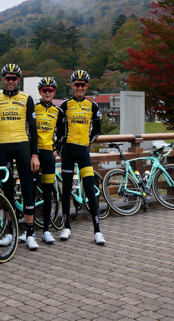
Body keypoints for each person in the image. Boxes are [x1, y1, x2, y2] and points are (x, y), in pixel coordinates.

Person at [0, 64, 39, 249]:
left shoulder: (27, 98)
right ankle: (12, 232)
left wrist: (35, 154)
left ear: (19, 79)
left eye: (14, 78)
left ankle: (30, 233)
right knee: (7, 192)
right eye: (8, 78)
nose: (11, 81)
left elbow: (33, 128)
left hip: (22, 146)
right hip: (2, 147)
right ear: (3, 79)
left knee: (27, 190)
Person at [58, 70, 105, 245]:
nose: (79, 87)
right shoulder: (64, 105)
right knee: (67, 189)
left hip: (83, 151)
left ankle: (97, 230)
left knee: (90, 189)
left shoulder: (93, 106)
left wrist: (87, 143)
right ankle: (66, 226)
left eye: (83, 85)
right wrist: (60, 145)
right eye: (77, 84)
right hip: (68, 152)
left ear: (87, 87)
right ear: (72, 85)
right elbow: (59, 130)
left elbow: (97, 130)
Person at [31, 77, 65, 244]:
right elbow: (28, 131)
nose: (47, 92)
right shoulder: (34, 108)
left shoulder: (58, 112)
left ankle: (46, 230)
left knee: (47, 193)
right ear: (40, 92)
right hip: (34, 155)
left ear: (54, 92)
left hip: (49, 156)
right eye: (44, 89)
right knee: (29, 193)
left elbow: (63, 133)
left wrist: (56, 147)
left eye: (50, 89)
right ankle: (28, 231)